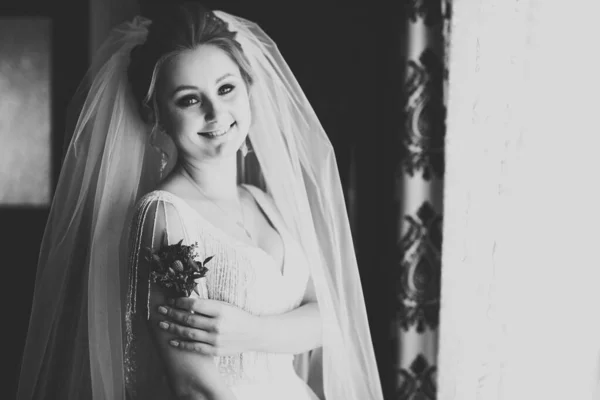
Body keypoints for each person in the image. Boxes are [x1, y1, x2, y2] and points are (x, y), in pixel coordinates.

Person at [16, 3, 383, 399]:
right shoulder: (164, 217)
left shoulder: (263, 202)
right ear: (157, 115)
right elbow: (195, 386)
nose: (215, 112)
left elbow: (327, 319)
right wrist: (284, 333)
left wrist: (249, 332)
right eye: (189, 100)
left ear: (248, 90)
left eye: (226, 89)